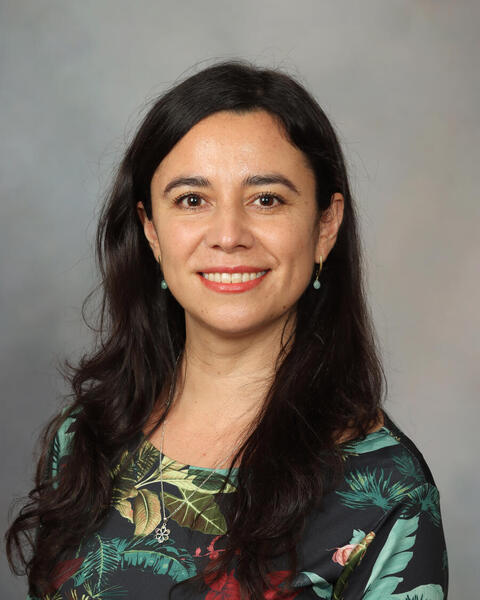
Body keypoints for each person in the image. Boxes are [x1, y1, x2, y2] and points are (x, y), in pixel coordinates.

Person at [5, 59, 448, 600]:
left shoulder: (388, 494)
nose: (229, 234)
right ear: (151, 230)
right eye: (192, 200)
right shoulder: (86, 438)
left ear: (325, 226)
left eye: (267, 199)